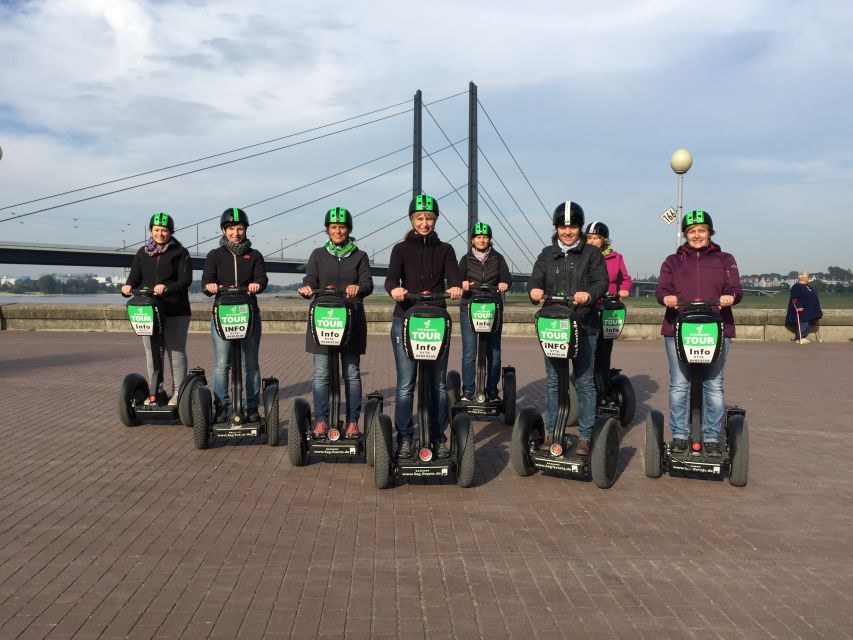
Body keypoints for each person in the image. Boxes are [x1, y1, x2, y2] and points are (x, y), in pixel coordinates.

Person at [655, 209, 743, 456]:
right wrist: (667, 298)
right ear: (685, 234)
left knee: (713, 384)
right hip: (678, 327)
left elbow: (736, 288)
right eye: (691, 231)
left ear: (709, 232)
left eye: (701, 230)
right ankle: (680, 435)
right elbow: (661, 289)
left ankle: (712, 436)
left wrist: (730, 296)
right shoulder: (672, 261)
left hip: (716, 327)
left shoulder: (725, 259)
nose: (696, 235)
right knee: (679, 384)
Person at [384, 193, 463, 459]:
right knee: (406, 383)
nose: (425, 223)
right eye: (420, 218)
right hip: (405, 318)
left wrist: (454, 287)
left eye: (429, 218)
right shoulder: (401, 249)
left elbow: (454, 277)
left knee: (438, 384)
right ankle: (405, 438)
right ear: (412, 219)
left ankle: (439, 438)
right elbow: (391, 278)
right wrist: (395, 289)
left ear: (436, 219)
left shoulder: (446, 250)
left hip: (436, 321)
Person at [528, 201, 608, 457]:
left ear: (579, 228)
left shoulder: (591, 254)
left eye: (572, 226)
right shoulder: (546, 254)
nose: (567, 231)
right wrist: (534, 290)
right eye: (563, 227)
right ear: (556, 228)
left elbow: (601, 282)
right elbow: (535, 279)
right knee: (554, 381)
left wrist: (590, 294)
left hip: (585, 325)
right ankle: (552, 431)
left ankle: (585, 436)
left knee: (584, 382)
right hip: (554, 324)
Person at [298, 207, 374, 438]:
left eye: (342, 227)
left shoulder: (359, 256)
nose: (338, 231)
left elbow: (368, 284)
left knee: (351, 373)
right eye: (333, 227)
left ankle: (352, 421)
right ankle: (321, 420)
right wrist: (307, 287)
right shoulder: (318, 255)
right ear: (327, 230)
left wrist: (357, 287)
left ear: (349, 229)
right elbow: (311, 278)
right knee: (321, 373)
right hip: (324, 319)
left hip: (351, 319)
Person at [201, 207, 268, 423]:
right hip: (223, 314)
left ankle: (251, 407)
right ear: (223, 230)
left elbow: (262, 279)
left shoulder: (255, 255)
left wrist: (257, 285)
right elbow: (205, 282)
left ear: (245, 230)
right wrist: (210, 286)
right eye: (231, 229)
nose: (236, 233)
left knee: (251, 364)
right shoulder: (215, 256)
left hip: (249, 314)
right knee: (222, 363)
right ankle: (221, 406)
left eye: (240, 229)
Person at [121, 212, 193, 406]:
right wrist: (127, 286)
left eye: (164, 230)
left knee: (175, 350)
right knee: (153, 350)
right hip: (149, 309)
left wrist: (167, 288)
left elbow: (185, 280)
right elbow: (134, 277)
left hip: (175, 309)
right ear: (151, 230)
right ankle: (156, 390)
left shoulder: (180, 252)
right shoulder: (142, 252)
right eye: (157, 230)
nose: (160, 234)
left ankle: (179, 392)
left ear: (171, 231)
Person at [458, 221, 512, 402]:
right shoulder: (465, 260)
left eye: (485, 237)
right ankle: (468, 391)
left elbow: (506, 277)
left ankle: (492, 392)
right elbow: (457, 279)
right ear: (472, 240)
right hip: (469, 308)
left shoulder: (498, 259)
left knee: (494, 353)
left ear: (489, 239)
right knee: (469, 352)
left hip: (492, 309)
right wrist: (462, 283)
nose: (482, 240)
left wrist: (504, 283)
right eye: (478, 237)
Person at [584, 221, 633, 403]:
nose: (592, 241)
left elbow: (625, 279)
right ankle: (588, 390)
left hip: (608, 307)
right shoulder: (581, 257)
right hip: (588, 308)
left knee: (604, 351)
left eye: (595, 237)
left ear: (604, 239)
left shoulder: (616, 258)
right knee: (588, 350)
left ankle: (603, 390)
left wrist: (624, 288)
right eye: (589, 238)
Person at [786, 272, 823, 344]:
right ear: (802, 278)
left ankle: (803, 337)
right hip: (802, 308)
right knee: (803, 322)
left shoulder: (807, 286)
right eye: (807, 277)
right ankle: (800, 337)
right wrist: (798, 306)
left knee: (807, 323)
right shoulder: (797, 286)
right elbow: (794, 298)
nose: (808, 278)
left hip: (809, 308)